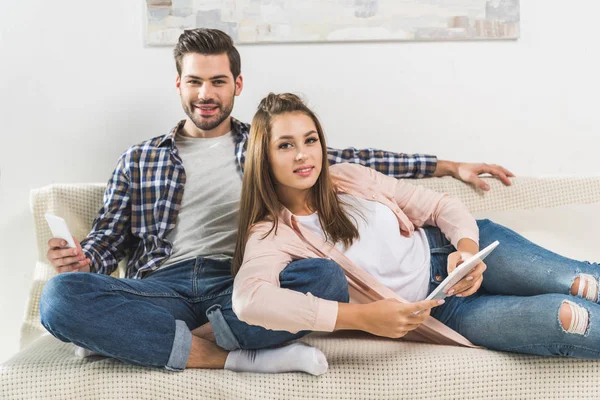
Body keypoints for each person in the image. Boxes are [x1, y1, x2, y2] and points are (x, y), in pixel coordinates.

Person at [40, 28, 514, 375]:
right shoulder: (140, 159)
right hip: (161, 288)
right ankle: (228, 357)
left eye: (218, 81)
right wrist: (82, 258)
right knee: (59, 298)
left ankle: (146, 343)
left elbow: (356, 159)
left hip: (242, 283)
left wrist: (449, 165)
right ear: (178, 85)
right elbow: (106, 239)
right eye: (194, 82)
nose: (206, 94)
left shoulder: (268, 145)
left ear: (237, 86)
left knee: (325, 277)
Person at [232, 92, 600, 359]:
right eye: (285, 145)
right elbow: (249, 300)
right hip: (440, 309)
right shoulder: (271, 234)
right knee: (567, 317)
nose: (302, 155)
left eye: (310, 140)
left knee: (583, 284)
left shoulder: (349, 177)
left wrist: (467, 251)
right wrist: (363, 318)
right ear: (263, 156)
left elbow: (441, 205)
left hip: (450, 251)